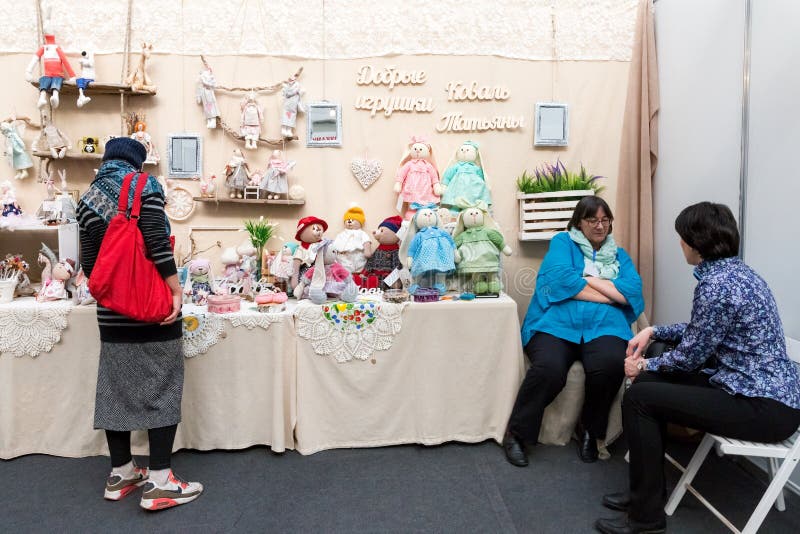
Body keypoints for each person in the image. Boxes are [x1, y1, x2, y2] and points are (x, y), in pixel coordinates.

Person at [595, 202, 800, 534]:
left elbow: (690, 357)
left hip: (762, 407)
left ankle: (646, 519)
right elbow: (701, 332)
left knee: (641, 396)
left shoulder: (716, 286)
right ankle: (645, 493)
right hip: (744, 387)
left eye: (682, 238)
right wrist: (653, 332)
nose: (680, 244)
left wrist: (642, 362)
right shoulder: (737, 273)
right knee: (650, 382)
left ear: (697, 242)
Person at [76, 137, 203, 511]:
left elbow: (88, 261)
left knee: (116, 386)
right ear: (138, 161)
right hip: (149, 306)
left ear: (107, 158)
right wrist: (176, 290)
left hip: (111, 309)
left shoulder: (87, 197)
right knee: (161, 384)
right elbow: (157, 243)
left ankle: (122, 473)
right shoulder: (143, 186)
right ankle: (161, 481)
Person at [504, 196, 644, 467]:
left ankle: (591, 431)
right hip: (556, 324)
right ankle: (517, 434)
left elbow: (633, 291)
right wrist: (611, 292)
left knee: (610, 365)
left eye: (605, 220)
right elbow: (560, 280)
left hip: (606, 326)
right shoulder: (563, 243)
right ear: (579, 222)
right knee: (548, 369)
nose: (600, 226)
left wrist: (587, 280)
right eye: (593, 220)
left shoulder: (619, 255)